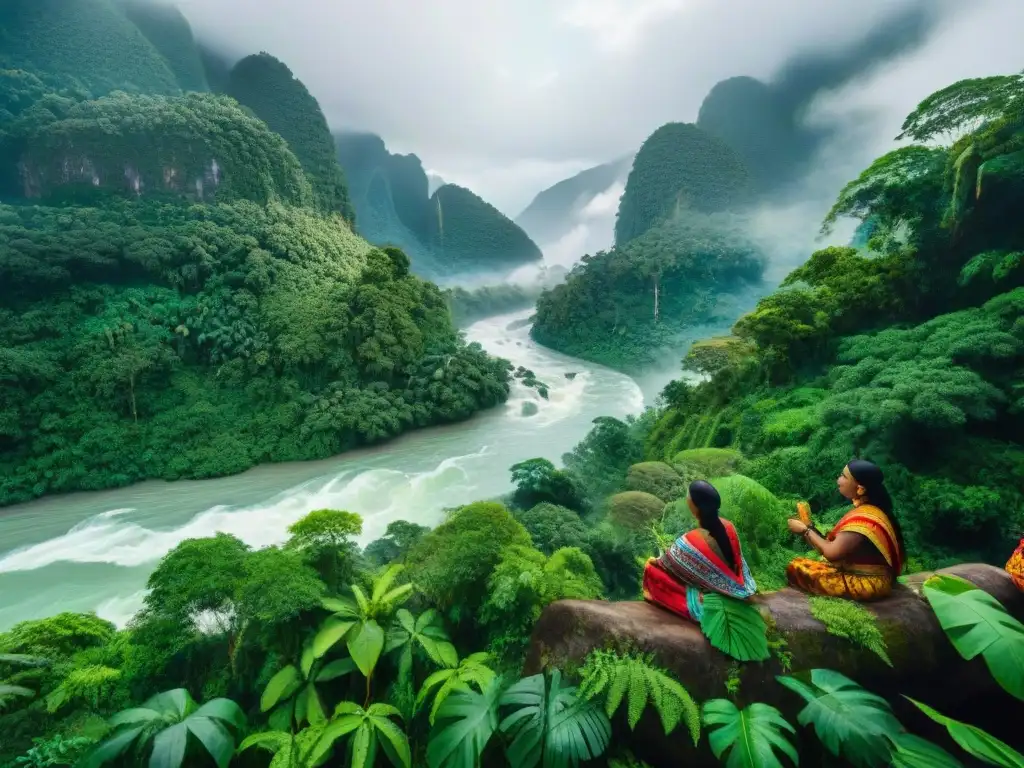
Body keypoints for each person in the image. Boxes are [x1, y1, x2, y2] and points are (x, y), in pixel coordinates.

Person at [786, 459, 905, 601]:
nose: (839, 479)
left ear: (860, 488)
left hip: (867, 583)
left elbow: (831, 553)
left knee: (796, 568)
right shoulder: (871, 510)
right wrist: (809, 526)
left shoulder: (864, 518)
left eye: (844, 476)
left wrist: (805, 530)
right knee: (806, 564)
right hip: (867, 575)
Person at [642, 480, 757, 622]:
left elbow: (667, 566)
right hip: (740, 585)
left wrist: (658, 560)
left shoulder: (691, 541)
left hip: (714, 594)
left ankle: (711, 599)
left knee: (651, 569)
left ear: (695, 507)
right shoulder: (728, 526)